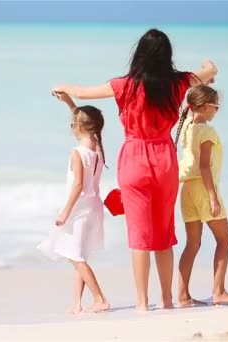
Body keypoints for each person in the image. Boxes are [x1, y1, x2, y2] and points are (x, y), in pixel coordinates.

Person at [51, 28, 217, 311]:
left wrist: (64, 86)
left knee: (139, 236)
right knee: (164, 234)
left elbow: (82, 91)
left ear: (139, 54)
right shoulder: (179, 83)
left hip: (134, 159)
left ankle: (142, 303)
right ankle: (166, 300)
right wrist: (207, 66)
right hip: (164, 158)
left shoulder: (123, 85)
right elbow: (211, 70)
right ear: (167, 56)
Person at [37, 92, 110, 314]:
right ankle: (77, 303)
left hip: (80, 208)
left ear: (78, 127)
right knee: (79, 254)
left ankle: (100, 298)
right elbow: (85, 118)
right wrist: (70, 103)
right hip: (94, 206)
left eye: (72, 124)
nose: (71, 127)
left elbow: (78, 186)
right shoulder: (96, 147)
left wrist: (64, 213)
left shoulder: (78, 152)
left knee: (75, 255)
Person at [174, 84, 228, 306]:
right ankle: (219, 292)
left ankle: (183, 296)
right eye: (216, 106)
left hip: (186, 190)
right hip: (204, 189)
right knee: (225, 239)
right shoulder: (206, 131)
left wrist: (206, 77)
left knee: (192, 243)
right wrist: (213, 198)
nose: (217, 110)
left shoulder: (186, 126)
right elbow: (204, 167)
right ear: (204, 107)